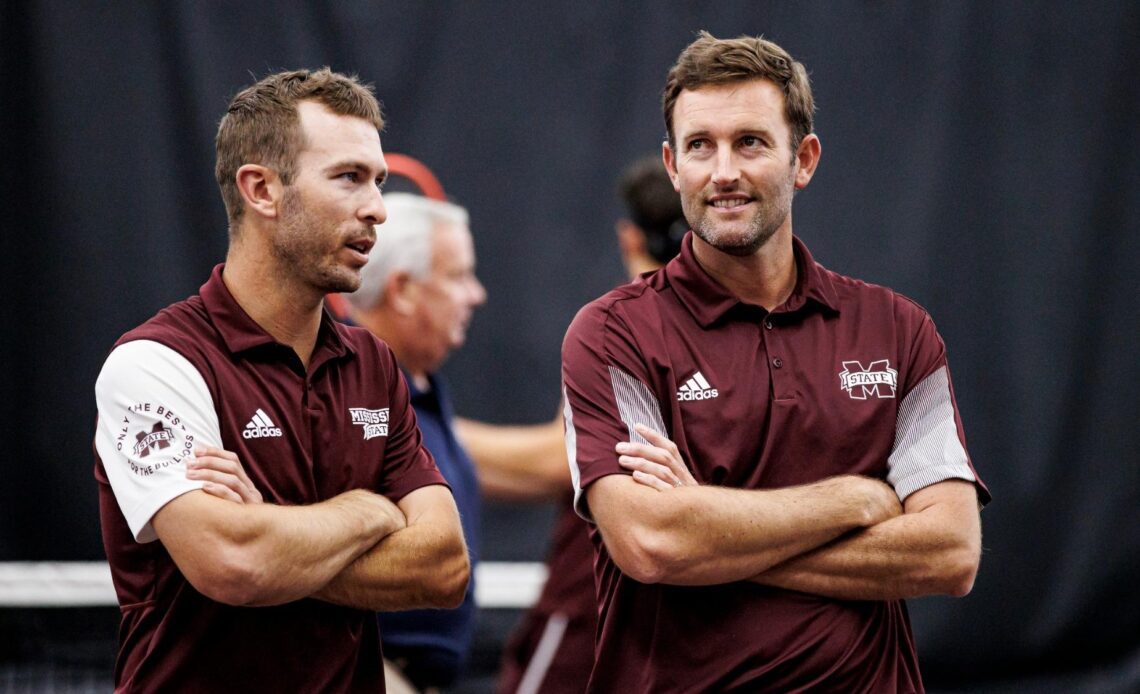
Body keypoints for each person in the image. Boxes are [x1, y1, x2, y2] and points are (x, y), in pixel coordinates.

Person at [560, 32, 990, 693]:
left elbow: (950, 553)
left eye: (750, 143)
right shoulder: (612, 334)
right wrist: (856, 498)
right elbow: (654, 545)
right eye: (700, 146)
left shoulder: (897, 330)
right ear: (673, 166)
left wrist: (711, 525)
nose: (723, 171)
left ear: (804, 159)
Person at [92, 68, 469, 693]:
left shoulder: (372, 363)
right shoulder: (154, 364)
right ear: (261, 189)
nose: (376, 207)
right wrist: (367, 510)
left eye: (377, 181)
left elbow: (444, 566)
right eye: (349, 178)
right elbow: (234, 564)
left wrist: (274, 534)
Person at [493, 156, 686, 694]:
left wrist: (416, 436)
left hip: (594, 615)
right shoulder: (754, 335)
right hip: (697, 625)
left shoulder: (614, 331)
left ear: (628, 238)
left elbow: (561, 460)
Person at [337, 191, 489, 692]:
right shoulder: (342, 396)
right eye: (458, 276)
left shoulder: (421, 391)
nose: (475, 295)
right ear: (401, 290)